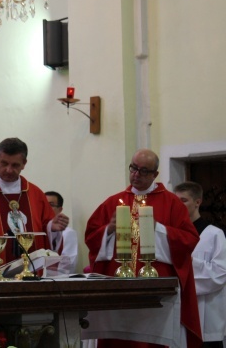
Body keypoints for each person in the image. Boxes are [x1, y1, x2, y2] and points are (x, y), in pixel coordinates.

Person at [85, 149, 202, 348]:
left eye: (144, 171)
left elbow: (189, 240)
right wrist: (109, 230)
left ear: (155, 174)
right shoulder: (113, 202)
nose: (136, 174)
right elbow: (91, 237)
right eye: (133, 168)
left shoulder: (172, 203)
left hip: (156, 290)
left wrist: (158, 228)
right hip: (118, 289)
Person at [0, 137, 69, 277]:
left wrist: (51, 228)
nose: (8, 170)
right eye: (4, 163)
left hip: (31, 276)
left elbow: (45, 233)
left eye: (15, 165)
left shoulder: (35, 194)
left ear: (24, 163)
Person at [175, 181, 226, 348]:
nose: (178, 205)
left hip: (207, 317)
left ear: (198, 202)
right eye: (176, 201)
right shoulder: (174, 234)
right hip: (178, 315)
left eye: (183, 200)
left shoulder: (214, 235)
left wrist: (188, 263)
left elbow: (219, 274)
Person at [45, 190, 78, 274]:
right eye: (44, 204)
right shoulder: (37, 230)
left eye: (51, 205)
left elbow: (69, 263)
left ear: (60, 209)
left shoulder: (68, 233)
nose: (46, 208)